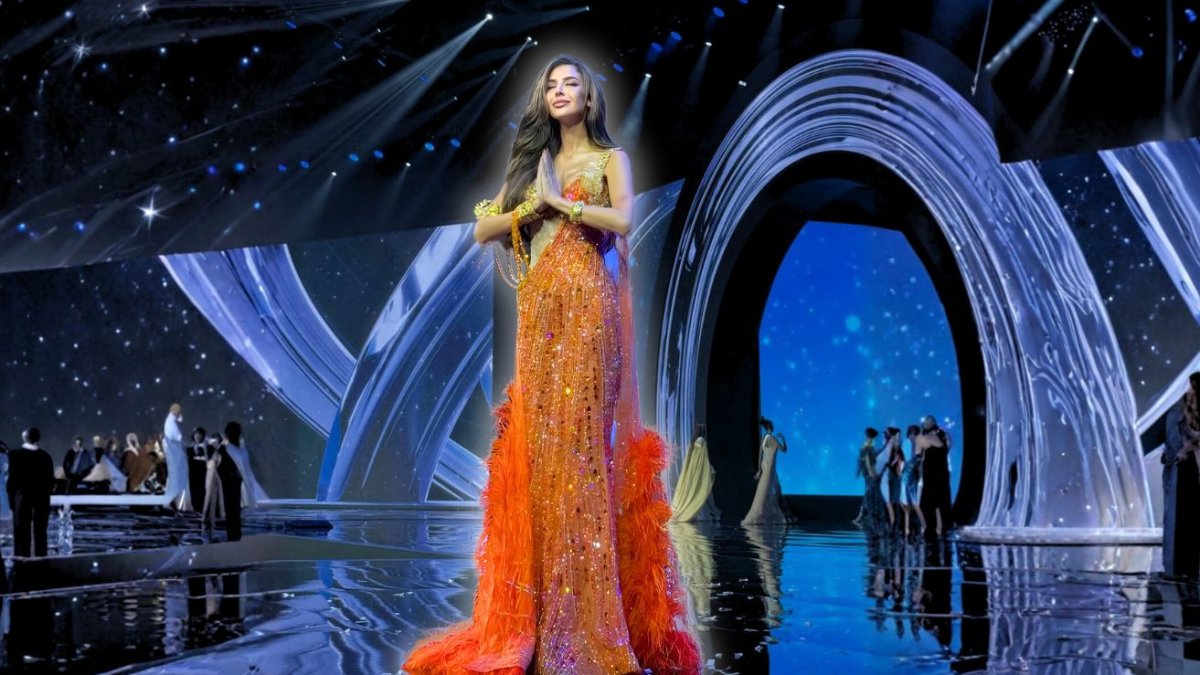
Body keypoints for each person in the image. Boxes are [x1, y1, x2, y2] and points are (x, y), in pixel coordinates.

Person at [404, 54, 699, 675]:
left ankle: (587, 625)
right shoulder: (533, 165)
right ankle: (537, 621)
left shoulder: (605, 161)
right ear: (544, 101)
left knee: (581, 457)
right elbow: (482, 231)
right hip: (540, 316)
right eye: (551, 85)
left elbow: (623, 220)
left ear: (590, 99)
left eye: (571, 84)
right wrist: (529, 210)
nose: (560, 92)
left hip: (590, 313)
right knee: (540, 462)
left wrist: (565, 208)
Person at [1164, 372, 1200, 577]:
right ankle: (1181, 569)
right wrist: (1175, 454)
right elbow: (1172, 443)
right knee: (1183, 522)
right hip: (1184, 472)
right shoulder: (1178, 411)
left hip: (1193, 468)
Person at [7, 428, 54, 557]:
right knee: (41, 532)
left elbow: (12, 481)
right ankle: (41, 561)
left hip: (22, 497)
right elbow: (50, 481)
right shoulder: (45, 456)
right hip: (42, 497)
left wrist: (11, 500)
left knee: (21, 531)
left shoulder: (15, 455)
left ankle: (21, 562)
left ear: (25, 437)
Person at [743, 417, 788, 525]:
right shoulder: (772, 439)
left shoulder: (766, 438)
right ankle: (761, 514)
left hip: (766, 468)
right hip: (768, 468)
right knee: (767, 490)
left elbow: (760, 455)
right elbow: (784, 450)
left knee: (765, 490)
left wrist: (759, 469)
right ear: (770, 427)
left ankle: (762, 513)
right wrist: (783, 438)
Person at [671, 423, 720, 522]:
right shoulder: (695, 441)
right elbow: (692, 457)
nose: (695, 431)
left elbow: (702, 458)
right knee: (701, 493)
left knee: (704, 493)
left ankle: (715, 512)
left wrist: (705, 469)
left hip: (699, 471)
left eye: (697, 430)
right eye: (695, 430)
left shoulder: (701, 441)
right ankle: (713, 512)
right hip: (694, 470)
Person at [918, 416, 953, 537]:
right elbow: (947, 448)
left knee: (933, 502)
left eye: (926, 422)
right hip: (937, 472)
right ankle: (938, 528)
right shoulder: (942, 435)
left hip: (935, 473)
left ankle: (936, 528)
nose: (924, 424)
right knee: (936, 502)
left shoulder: (927, 437)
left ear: (931, 423)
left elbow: (918, 455)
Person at [854, 427, 886, 530]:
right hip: (869, 473)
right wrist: (872, 474)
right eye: (873, 437)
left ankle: (866, 516)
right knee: (869, 493)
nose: (874, 439)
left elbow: (874, 455)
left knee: (870, 493)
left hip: (869, 473)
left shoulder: (869, 446)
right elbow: (867, 462)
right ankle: (862, 516)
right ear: (870, 437)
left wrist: (884, 447)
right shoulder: (866, 446)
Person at [901, 425, 927, 536]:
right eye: (914, 434)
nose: (913, 436)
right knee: (910, 504)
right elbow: (912, 459)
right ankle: (912, 528)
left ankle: (920, 526)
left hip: (909, 474)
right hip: (909, 473)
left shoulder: (909, 443)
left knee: (911, 504)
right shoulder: (909, 443)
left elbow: (911, 459)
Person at [163, 403, 188, 507]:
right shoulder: (171, 424)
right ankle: (174, 501)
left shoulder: (172, 422)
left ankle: (175, 501)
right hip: (175, 453)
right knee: (177, 477)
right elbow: (178, 438)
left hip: (175, 452)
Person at [883, 427, 904, 529]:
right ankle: (893, 522)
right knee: (892, 499)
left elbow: (899, 458)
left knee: (892, 499)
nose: (885, 435)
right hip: (892, 475)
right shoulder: (892, 444)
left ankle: (893, 523)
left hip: (893, 475)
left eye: (886, 433)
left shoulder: (893, 444)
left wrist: (893, 464)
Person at [187, 427, 209, 514]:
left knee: (202, 489)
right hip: (193, 471)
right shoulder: (190, 447)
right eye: (196, 434)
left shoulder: (206, 447)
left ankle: (202, 508)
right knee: (194, 489)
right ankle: (196, 508)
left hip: (203, 470)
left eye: (199, 434)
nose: (197, 436)